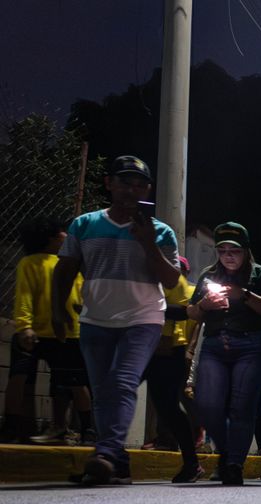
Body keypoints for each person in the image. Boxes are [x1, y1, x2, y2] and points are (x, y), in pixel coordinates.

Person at [51, 156, 181, 485]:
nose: (131, 190)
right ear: (109, 183)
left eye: (139, 185)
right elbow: (64, 270)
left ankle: (105, 453)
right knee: (101, 390)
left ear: (147, 190)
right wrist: (57, 310)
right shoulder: (84, 224)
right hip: (96, 318)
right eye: (124, 182)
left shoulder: (160, 231)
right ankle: (119, 463)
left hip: (143, 318)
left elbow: (170, 280)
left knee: (122, 382)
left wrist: (148, 243)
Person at [187, 222, 261, 485]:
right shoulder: (208, 275)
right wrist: (205, 304)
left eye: (235, 251)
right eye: (222, 250)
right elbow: (191, 311)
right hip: (216, 344)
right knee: (207, 404)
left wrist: (245, 295)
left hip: (251, 345)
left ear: (246, 250)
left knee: (241, 406)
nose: (228, 256)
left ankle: (233, 464)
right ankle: (226, 451)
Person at [10, 217, 92, 446]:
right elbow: (24, 295)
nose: (67, 236)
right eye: (62, 233)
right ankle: (17, 427)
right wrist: (24, 325)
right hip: (39, 332)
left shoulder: (72, 263)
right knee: (22, 379)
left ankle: (85, 429)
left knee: (71, 383)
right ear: (50, 238)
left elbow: (81, 294)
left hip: (68, 331)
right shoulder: (32, 263)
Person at [143, 255, 202, 481]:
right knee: (118, 395)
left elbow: (187, 313)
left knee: (169, 407)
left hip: (166, 350)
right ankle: (110, 454)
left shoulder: (178, 282)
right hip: (139, 345)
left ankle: (192, 461)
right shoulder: (141, 275)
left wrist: (187, 350)